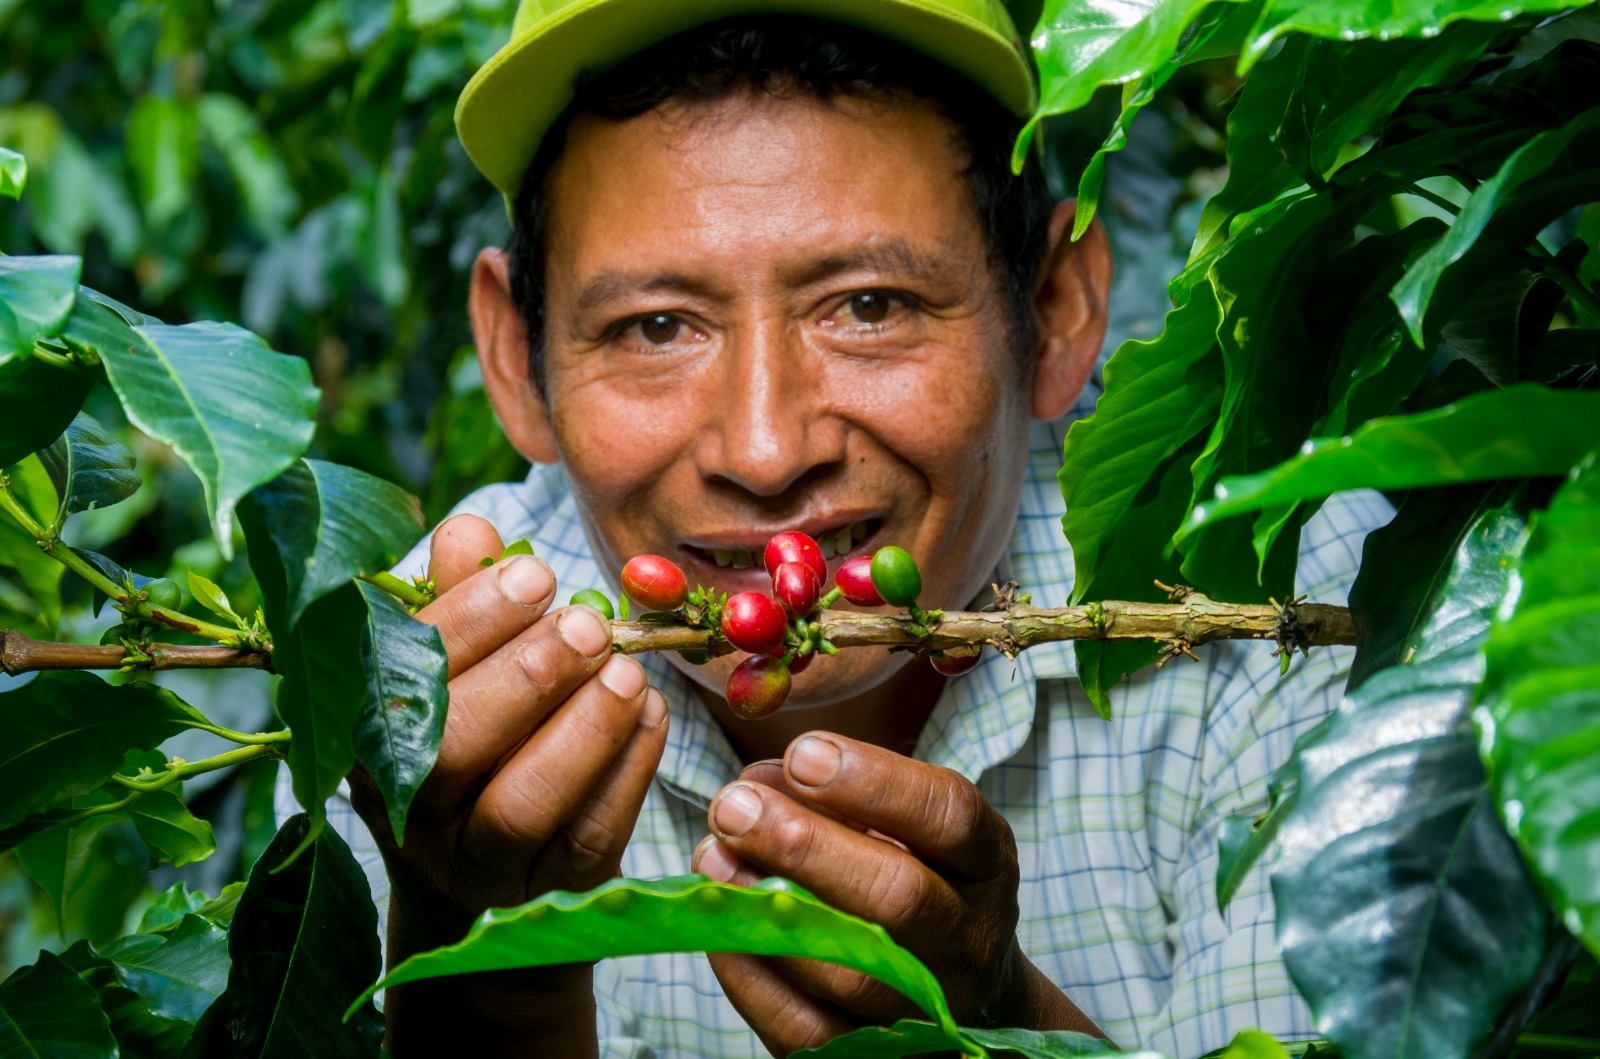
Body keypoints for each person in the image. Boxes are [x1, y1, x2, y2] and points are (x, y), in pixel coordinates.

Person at [275, 1, 1391, 1054]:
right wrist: (483, 972)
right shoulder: (419, 684)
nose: (765, 450)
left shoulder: (1289, 598)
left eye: (869, 306)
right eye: (656, 327)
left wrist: (999, 1023)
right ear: (518, 360)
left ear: (1053, 309)